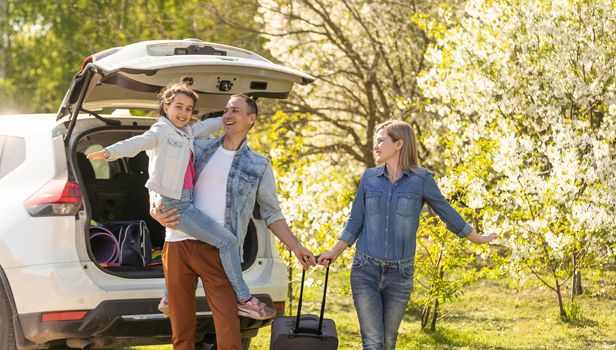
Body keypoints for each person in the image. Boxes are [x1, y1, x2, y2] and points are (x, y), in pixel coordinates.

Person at [87, 79, 274, 320]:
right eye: (178, 106)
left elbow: (206, 125)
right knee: (228, 242)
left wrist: (231, 116)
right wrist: (112, 152)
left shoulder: (186, 133)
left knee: (183, 245)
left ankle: (168, 298)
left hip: (184, 201)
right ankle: (244, 298)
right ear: (166, 107)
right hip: (174, 203)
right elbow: (140, 143)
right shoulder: (162, 131)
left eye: (188, 109)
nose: (184, 113)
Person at [151, 93, 317, 350]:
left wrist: (296, 247)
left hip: (218, 249)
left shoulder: (258, 165)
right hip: (178, 242)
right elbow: (162, 170)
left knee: (228, 327)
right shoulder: (199, 146)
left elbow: (272, 213)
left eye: (235, 111)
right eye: (226, 110)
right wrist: (154, 205)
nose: (227, 116)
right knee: (181, 330)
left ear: (251, 119)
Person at [317, 119, 497, 350]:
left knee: (389, 342)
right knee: (372, 342)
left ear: (399, 144)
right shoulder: (369, 178)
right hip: (365, 270)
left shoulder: (422, 180)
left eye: (381, 140)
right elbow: (355, 221)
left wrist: (476, 237)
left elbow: (446, 211)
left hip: (400, 274)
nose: (376, 146)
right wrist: (334, 252)